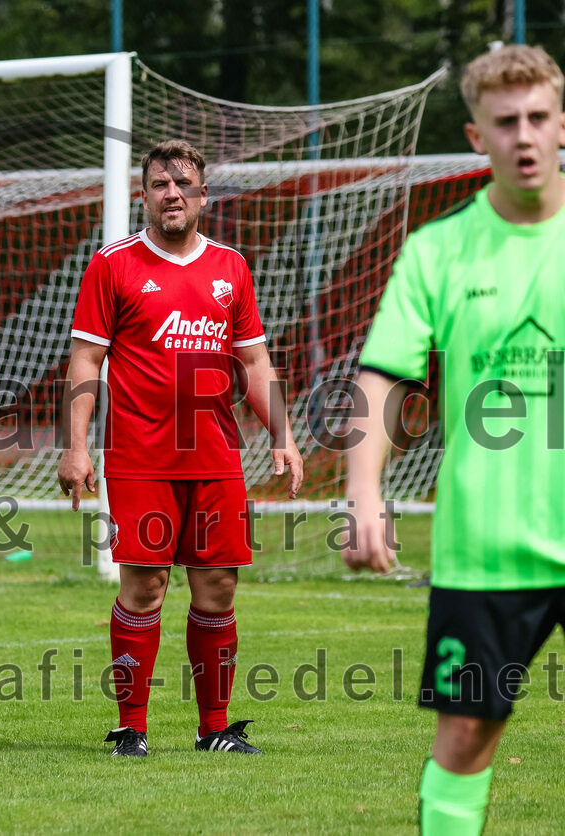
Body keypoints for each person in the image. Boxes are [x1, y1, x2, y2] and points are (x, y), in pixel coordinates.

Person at [343, 44, 565, 835]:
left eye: (538, 117)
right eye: (506, 122)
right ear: (477, 137)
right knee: (467, 735)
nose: (524, 136)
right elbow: (382, 378)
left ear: (562, 123)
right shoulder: (437, 250)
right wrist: (363, 492)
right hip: (485, 548)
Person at [57, 139, 303, 757]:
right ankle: (131, 727)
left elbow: (253, 361)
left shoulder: (230, 267)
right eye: (160, 185)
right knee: (144, 589)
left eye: (183, 183)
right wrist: (75, 447)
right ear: (144, 195)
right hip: (140, 458)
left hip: (215, 458)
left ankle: (214, 728)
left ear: (202, 195)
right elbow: (86, 360)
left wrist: (283, 434)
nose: (172, 194)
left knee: (218, 589)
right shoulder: (112, 264)